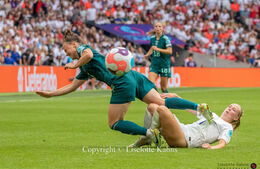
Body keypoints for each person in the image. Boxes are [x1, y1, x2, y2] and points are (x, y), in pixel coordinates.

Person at [36, 29, 211, 141]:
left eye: (67, 50)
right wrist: (51, 94)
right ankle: (199, 107)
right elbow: (72, 86)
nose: (68, 54)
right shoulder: (85, 68)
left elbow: (88, 54)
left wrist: (74, 64)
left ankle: (149, 133)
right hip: (132, 75)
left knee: (114, 123)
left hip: (121, 81)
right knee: (162, 102)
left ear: (74, 45)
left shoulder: (83, 50)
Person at [130, 93, 242, 149]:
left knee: (162, 109)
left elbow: (223, 142)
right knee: (152, 107)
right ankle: (149, 137)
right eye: (230, 106)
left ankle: (148, 136)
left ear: (236, 118)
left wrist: (212, 147)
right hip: (182, 129)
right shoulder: (212, 115)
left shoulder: (227, 127)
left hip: (185, 139)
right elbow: (189, 107)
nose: (229, 109)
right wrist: (176, 96)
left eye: (234, 110)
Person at [144, 22, 172, 93]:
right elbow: (152, 48)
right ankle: (157, 99)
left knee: (163, 88)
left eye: (159, 26)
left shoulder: (166, 39)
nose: (158, 28)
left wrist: (158, 49)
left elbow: (170, 51)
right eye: (156, 26)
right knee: (150, 84)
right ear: (154, 28)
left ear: (162, 28)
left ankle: (167, 102)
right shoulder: (152, 38)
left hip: (164, 64)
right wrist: (147, 54)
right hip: (154, 64)